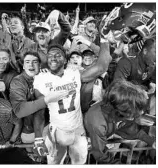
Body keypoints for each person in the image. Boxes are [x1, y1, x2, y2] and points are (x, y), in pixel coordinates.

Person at [33, 35, 112, 164]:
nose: (53, 57)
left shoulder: (74, 74)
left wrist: (104, 39)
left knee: (79, 162)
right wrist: (38, 139)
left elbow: (102, 67)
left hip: (77, 129)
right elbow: (39, 111)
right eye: (50, 55)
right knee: (54, 163)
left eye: (58, 55)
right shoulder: (41, 79)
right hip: (56, 129)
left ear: (65, 60)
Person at [84, 80, 156, 164]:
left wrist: (150, 140)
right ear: (118, 112)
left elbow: (129, 128)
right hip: (90, 140)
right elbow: (100, 154)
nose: (135, 118)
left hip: (105, 135)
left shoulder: (120, 108)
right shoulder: (97, 124)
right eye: (132, 115)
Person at [114, 38, 156, 115]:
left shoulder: (152, 65)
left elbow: (147, 79)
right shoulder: (127, 62)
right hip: (122, 105)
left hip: (140, 102)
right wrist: (138, 91)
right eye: (156, 52)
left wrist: (150, 83)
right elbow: (117, 88)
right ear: (145, 51)